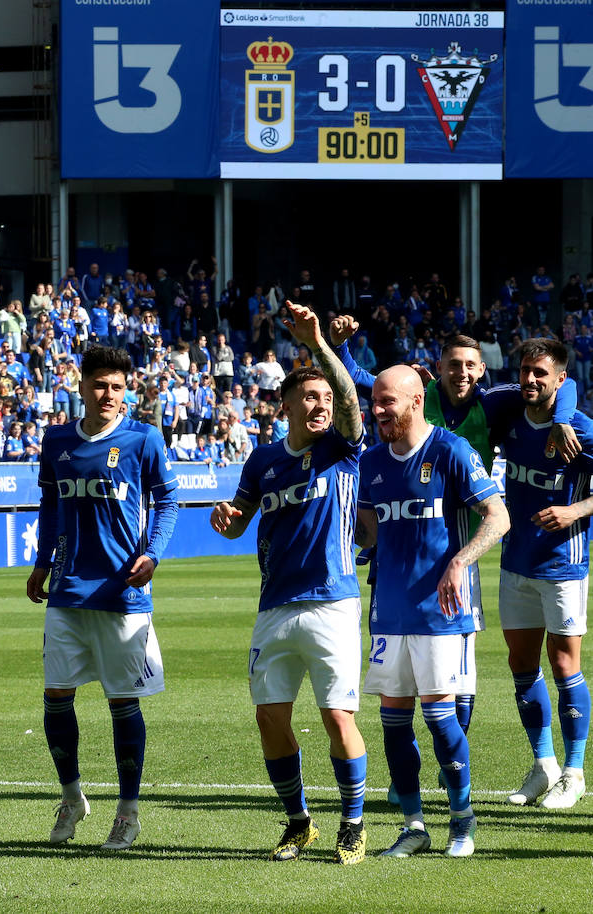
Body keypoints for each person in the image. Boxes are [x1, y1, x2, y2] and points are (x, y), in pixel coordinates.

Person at [210, 302, 370, 865]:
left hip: (333, 602)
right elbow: (239, 520)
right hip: (274, 606)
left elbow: (353, 400)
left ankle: (353, 823)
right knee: (269, 717)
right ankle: (300, 821)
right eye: (310, 396)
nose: (322, 403)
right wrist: (227, 519)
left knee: (336, 716)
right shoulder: (262, 460)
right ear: (286, 405)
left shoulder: (343, 450)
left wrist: (319, 345)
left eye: (326, 396)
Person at [27, 345, 178, 851]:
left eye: (116, 387)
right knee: (56, 697)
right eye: (99, 385)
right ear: (82, 386)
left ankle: (128, 812)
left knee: (122, 702)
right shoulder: (57, 440)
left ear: (126, 390)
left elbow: (167, 501)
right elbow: (50, 503)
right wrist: (43, 560)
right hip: (68, 590)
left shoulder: (143, 438)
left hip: (122, 593)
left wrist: (152, 554)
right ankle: (71, 797)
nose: (107, 395)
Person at [356, 366, 508, 858]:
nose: (377, 412)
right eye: (374, 402)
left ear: (417, 400)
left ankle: (462, 821)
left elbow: (498, 516)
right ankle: (414, 826)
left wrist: (461, 561)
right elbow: (366, 526)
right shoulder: (371, 462)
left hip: (442, 613)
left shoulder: (451, 451)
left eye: (387, 403)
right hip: (388, 615)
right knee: (393, 725)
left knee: (441, 721)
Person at [488, 340, 591, 809]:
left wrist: (576, 511)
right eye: (526, 371)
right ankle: (544, 765)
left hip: (563, 564)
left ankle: (575, 771)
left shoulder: (580, 428)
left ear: (561, 379)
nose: (531, 380)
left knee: (564, 665)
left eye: (541, 374)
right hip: (516, 563)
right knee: (521, 665)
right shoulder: (510, 414)